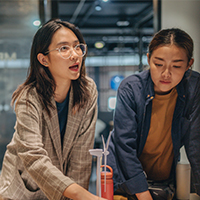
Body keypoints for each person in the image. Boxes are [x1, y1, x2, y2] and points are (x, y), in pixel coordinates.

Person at [0, 19, 107, 200]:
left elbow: (81, 159)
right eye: (64, 48)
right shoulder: (29, 97)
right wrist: (85, 196)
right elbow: (33, 157)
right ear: (43, 59)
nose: (75, 55)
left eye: (77, 46)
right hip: (22, 190)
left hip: (64, 190)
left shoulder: (88, 91)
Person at [107, 28, 200, 200]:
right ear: (149, 59)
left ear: (189, 64)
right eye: (158, 64)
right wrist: (142, 193)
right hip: (125, 181)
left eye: (177, 66)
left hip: (164, 181)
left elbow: (196, 145)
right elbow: (124, 145)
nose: (166, 74)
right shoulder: (131, 89)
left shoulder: (194, 88)